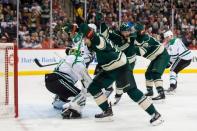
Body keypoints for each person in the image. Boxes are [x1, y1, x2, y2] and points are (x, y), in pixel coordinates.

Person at [78, 23, 164, 125]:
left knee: (132, 91)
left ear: (89, 36)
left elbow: (91, 34)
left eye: (84, 38)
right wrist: (75, 28)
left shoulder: (98, 40)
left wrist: (83, 27)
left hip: (121, 67)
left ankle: (155, 114)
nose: (84, 41)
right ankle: (107, 111)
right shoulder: (93, 42)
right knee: (93, 87)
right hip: (109, 69)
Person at [45, 44, 92, 119]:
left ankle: (58, 102)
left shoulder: (67, 58)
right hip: (59, 81)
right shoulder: (77, 58)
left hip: (50, 81)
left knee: (70, 91)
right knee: (80, 95)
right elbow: (83, 73)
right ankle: (70, 111)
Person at [100, 22, 137, 104]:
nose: (127, 33)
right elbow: (105, 34)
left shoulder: (133, 37)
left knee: (122, 79)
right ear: (121, 31)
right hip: (119, 60)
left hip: (130, 61)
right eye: (125, 31)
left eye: (128, 31)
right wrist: (103, 24)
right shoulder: (116, 35)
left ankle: (118, 94)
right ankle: (110, 89)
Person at [133, 23, 170, 101]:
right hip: (155, 57)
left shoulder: (146, 39)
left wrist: (130, 49)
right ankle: (150, 91)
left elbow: (141, 52)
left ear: (140, 31)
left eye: (135, 30)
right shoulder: (138, 38)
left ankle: (161, 93)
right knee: (148, 73)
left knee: (155, 73)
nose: (133, 31)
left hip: (161, 55)